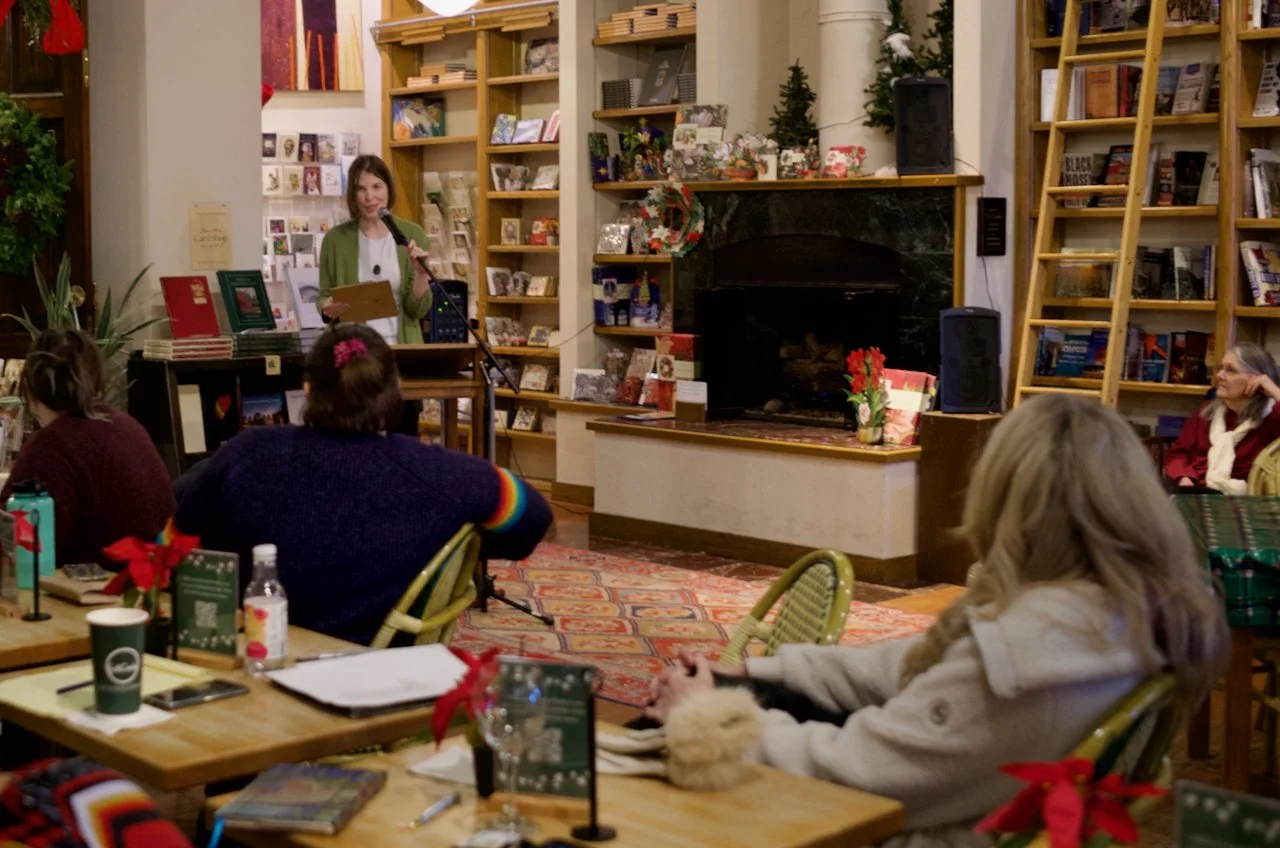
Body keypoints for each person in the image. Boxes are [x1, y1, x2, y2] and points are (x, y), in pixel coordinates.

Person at [646, 394, 1228, 847]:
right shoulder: (1108, 618)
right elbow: (903, 668)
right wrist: (752, 674)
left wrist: (710, 718)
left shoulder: (1028, 658)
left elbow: (862, 773)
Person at [174, 324, 553, 646]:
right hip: (385, 673)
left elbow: (171, 548)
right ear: (396, 391)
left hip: (260, 658)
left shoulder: (248, 454)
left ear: (307, 391)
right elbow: (532, 518)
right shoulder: (444, 475)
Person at [0, 329, 175, 568]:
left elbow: (8, 545)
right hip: (155, 588)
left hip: (101, 595)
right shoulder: (128, 426)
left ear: (31, 388)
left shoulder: (51, 445)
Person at [318, 153, 432, 346]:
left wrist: (422, 274)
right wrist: (327, 307)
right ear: (353, 195)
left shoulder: (412, 234)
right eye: (361, 189)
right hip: (354, 352)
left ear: (389, 189)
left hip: (401, 348)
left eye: (377, 187)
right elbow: (323, 296)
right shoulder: (335, 239)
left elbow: (418, 310)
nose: (369, 197)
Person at [1165, 342, 1280, 493]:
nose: (1219, 375)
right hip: (1196, 491)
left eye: (1231, 370)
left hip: (1249, 499)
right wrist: (1184, 479)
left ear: (1256, 380)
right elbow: (1178, 454)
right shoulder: (1205, 412)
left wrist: (1273, 390)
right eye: (1221, 368)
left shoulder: (1272, 416)